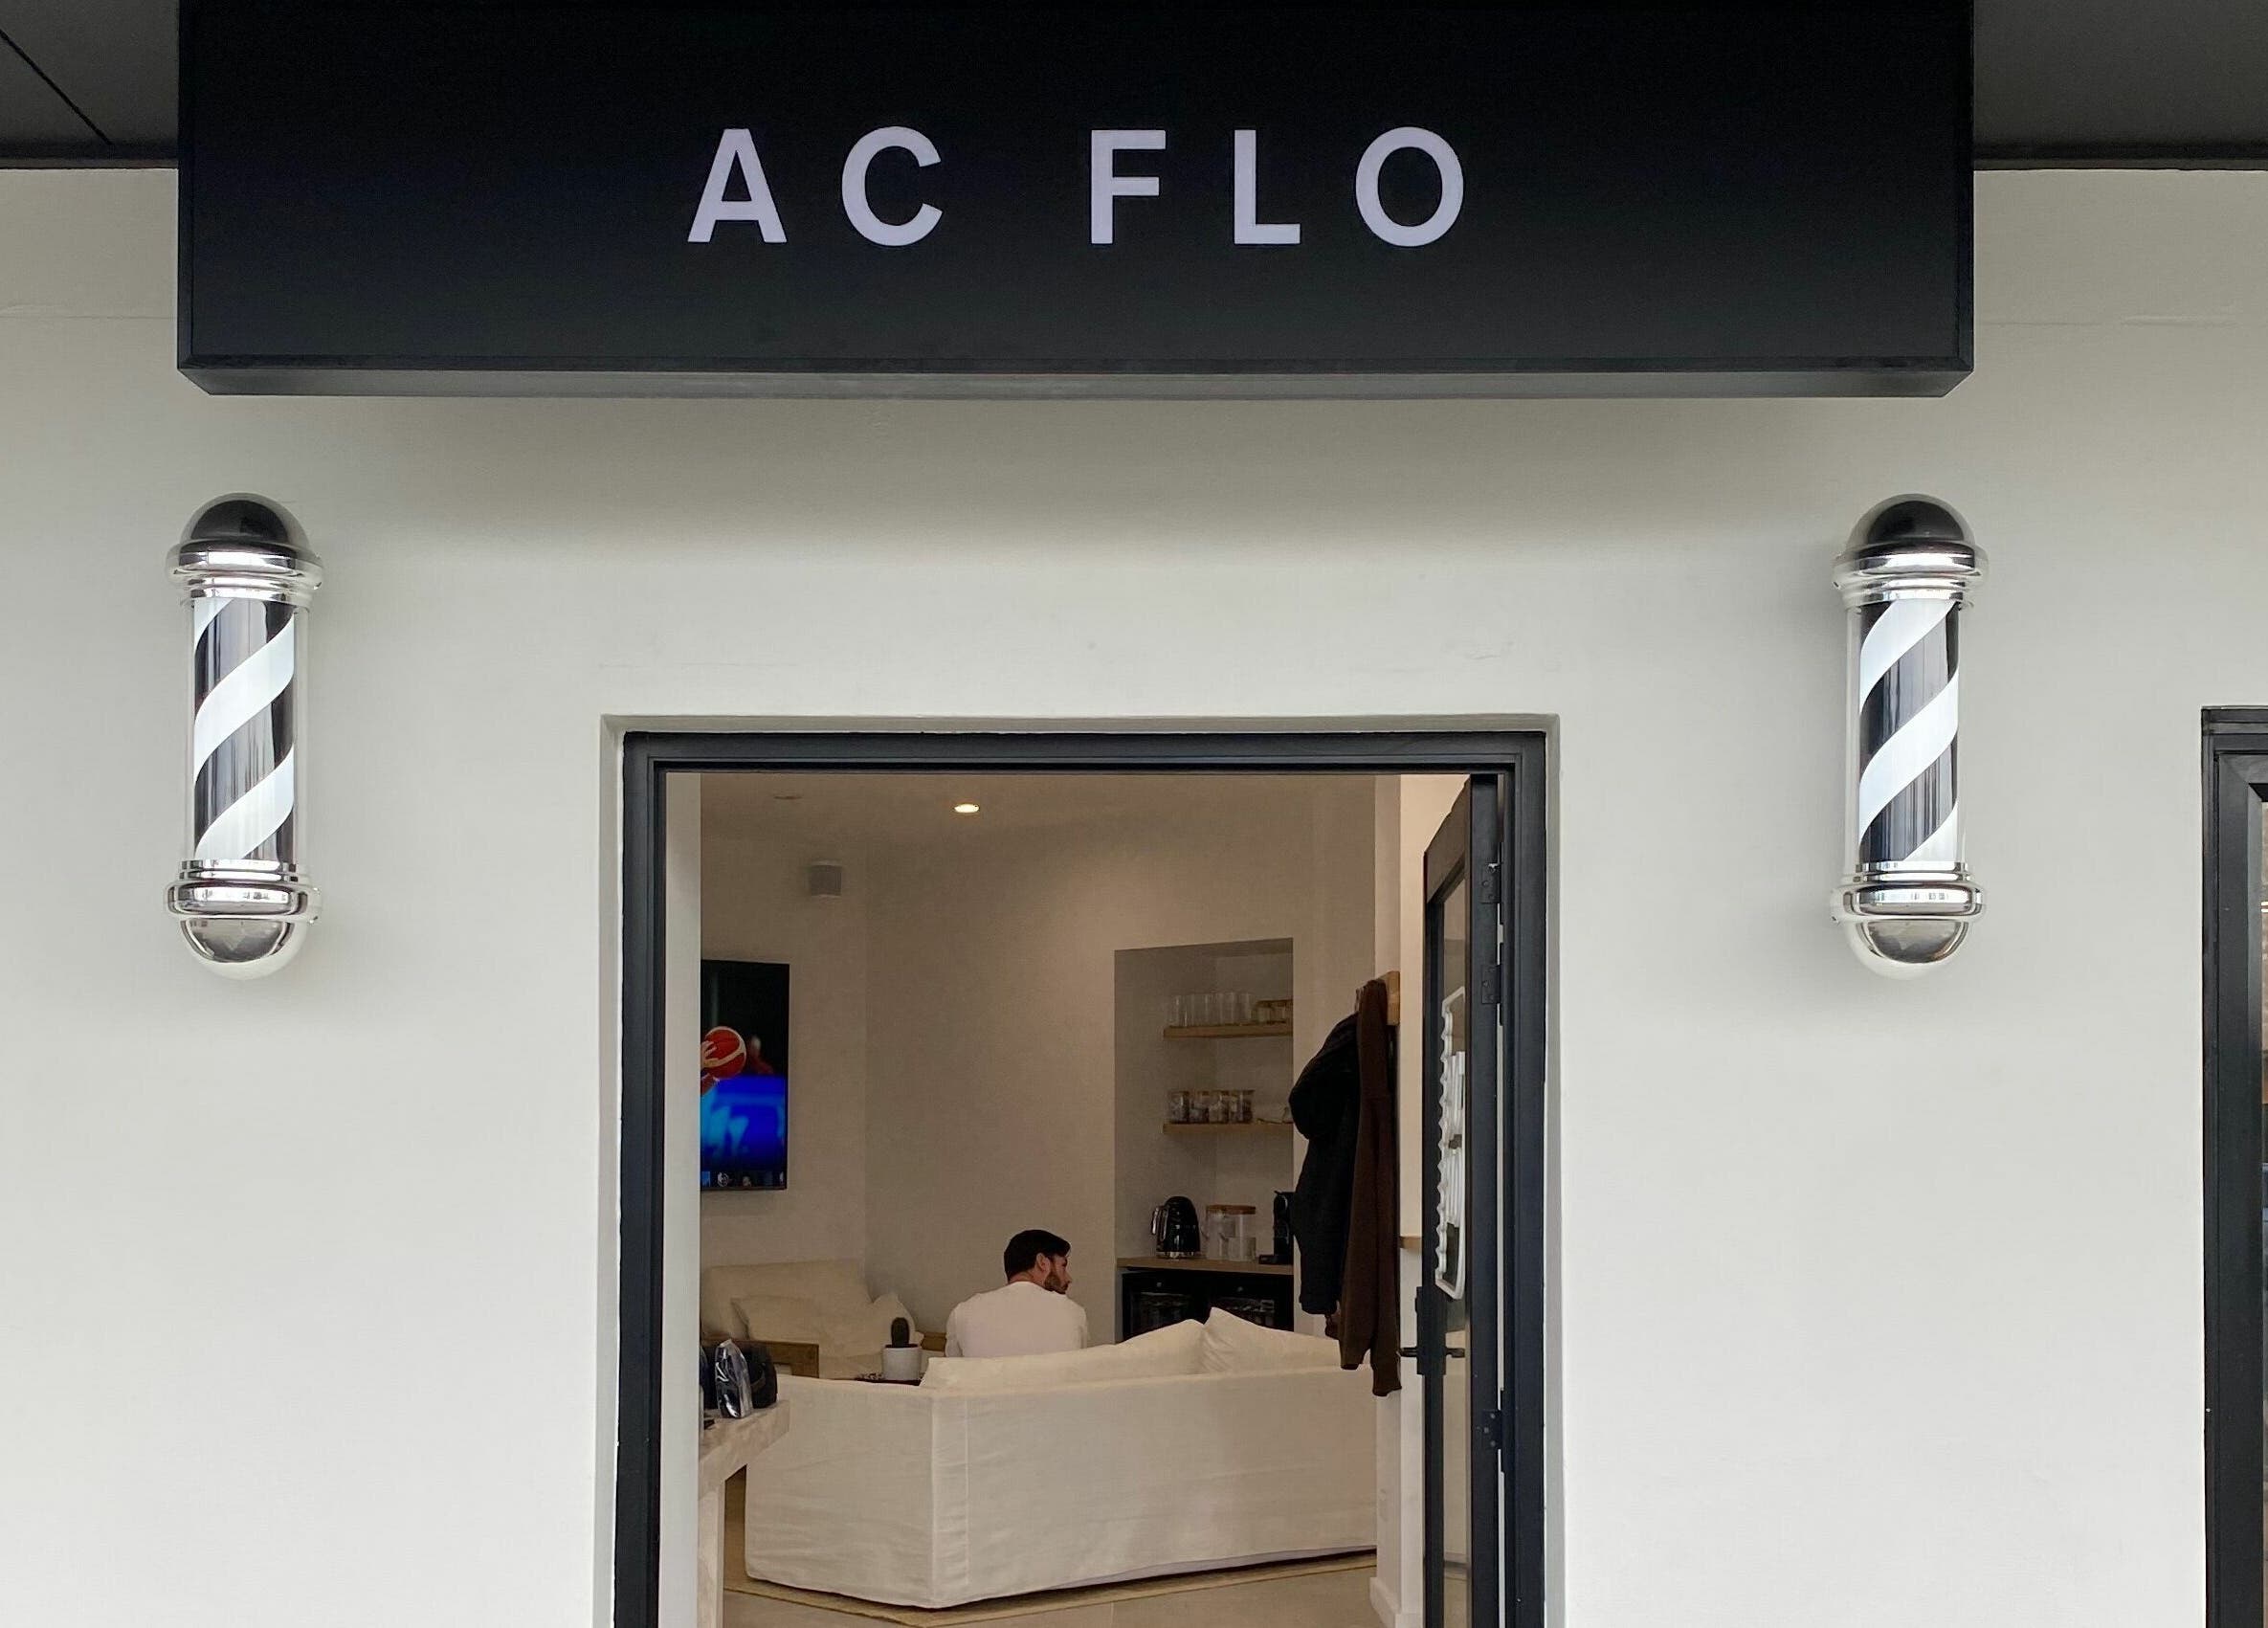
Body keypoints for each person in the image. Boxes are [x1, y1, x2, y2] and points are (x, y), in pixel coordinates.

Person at [943, 1229, 1088, 1358]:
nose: (1068, 1278)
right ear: (1042, 1262)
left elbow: (950, 1374)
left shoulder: (963, 1313)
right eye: (1063, 1266)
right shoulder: (1073, 1313)